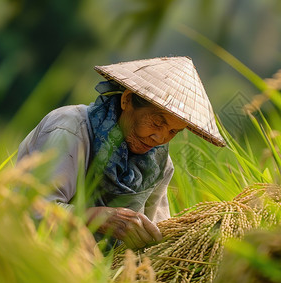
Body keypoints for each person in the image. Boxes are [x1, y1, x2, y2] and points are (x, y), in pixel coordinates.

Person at [17, 56, 226, 250]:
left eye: (173, 131)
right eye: (156, 122)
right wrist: (95, 218)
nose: (160, 138)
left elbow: (156, 232)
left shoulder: (159, 164)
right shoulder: (71, 129)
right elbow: (32, 210)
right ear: (126, 101)